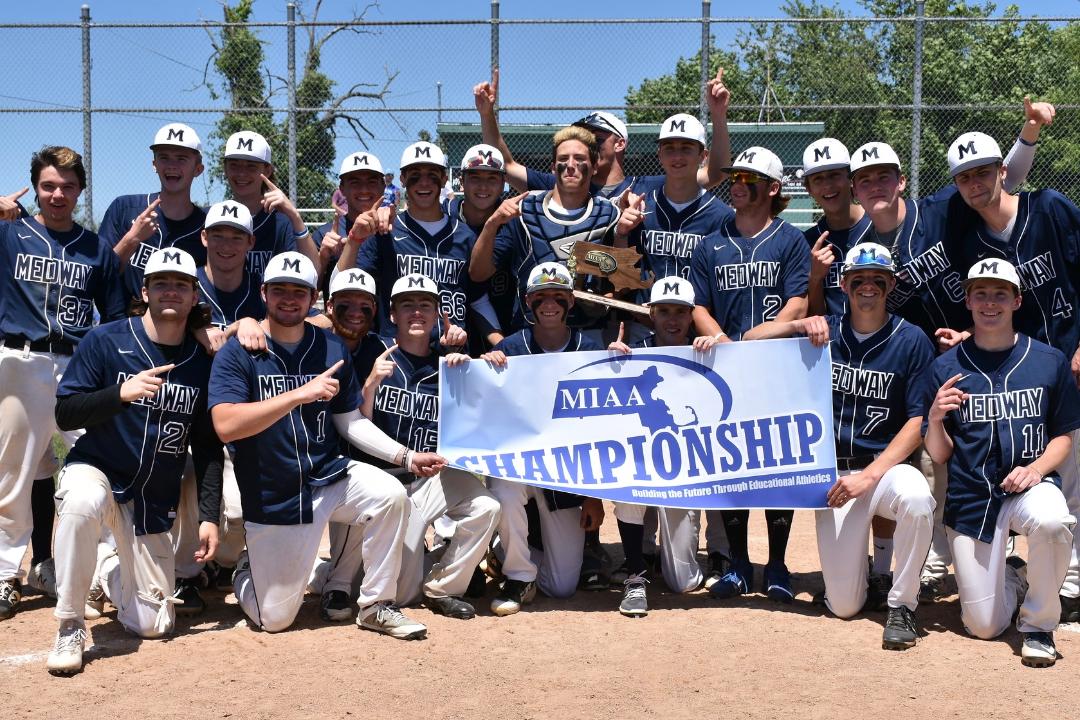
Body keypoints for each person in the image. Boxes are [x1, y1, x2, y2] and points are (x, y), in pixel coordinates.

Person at [208, 251, 443, 637]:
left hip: (325, 474)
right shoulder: (240, 352)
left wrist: (407, 456)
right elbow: (226, 425)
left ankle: (376, 605)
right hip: (274, 491)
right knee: (275, 621)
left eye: (299, 291)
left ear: (313, 297)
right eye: (280, 290)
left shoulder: (330, 348)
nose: (289, 298)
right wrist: (299, 395)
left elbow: (349, 420)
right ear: (264, 293)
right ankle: (248, 569)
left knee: (389, 495)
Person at [750, 242, 937, 649]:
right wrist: (798, 325)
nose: (867, 287)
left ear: (890, 285)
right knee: (844, 606)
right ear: (844, 284)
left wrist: (869, 477)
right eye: (858, 280)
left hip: (883, 469)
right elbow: (749, 339)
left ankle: (902, 604)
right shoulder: (824, 331)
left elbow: (917, 422)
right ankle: (862, 578)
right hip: (834, 475)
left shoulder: (912, 339)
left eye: (877, 280)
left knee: (919, 498)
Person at [46, 247, 223, 675]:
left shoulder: (201, 361)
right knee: (81, 502)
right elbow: (65, 413)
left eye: (181, 285)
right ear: (144, 290)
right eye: (160, 282)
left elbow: (207, 443)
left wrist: (208, 515)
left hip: (151, 499)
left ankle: (105, 569)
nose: (170, 291)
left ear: (194, 295)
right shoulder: (107, 339)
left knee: (154, 625)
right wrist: (118, 395)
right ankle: (69, 622)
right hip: (99, 471)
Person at [944, 130, 1080, 622]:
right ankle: (1026, 574)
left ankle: (1069, 587)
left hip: (1070, 357)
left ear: (1004, 170)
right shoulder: (973, 239)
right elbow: (986, 305)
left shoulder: (1049, 208)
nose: (975, 183)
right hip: (1025, 369)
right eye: (964, 177)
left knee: (1069, 479)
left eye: (983, 171)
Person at [923, 259, 1079, 668]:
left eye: (999, 294)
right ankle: (1014, 575)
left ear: (1016, 300)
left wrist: (1038, 469)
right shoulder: (945, 367)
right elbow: (939, 454)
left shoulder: (1048, 360)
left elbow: (1063, 436)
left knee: (1053, 521)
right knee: (984, 625)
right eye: (980, 293)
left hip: (1029, 486)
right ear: (968, 300)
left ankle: (1039, 625)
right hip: (972, 497)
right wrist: (936, 417)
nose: (989, 302)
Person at [1, 146, 127, 621]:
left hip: (77, 363)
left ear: (81, 191)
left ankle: (103, 571)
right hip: (20, 359)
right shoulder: (10, 234)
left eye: (68, 186)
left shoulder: (95, 249)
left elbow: (116, 318)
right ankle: (6, 573)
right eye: (49, 185)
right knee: (14, 470)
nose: (58, 194)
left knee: (103, 456)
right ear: (35, 185)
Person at [689, 145, 811, 603]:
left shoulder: (788, 239)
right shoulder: (712, 241)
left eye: (749, 180)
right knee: (734, 463)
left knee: (778, 465)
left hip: (776, 366)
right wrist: (720, 338)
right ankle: (739, 563)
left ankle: (777, 564)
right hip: (727, 365)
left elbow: (798, 303)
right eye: (735, 179)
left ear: (773, 188)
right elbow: (698, 303)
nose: (737, 185)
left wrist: (758, 338)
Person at [356, 273, 500, 619]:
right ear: (392, 314)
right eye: (407, 305)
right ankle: (326, 572)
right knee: (403, 596)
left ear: (438, 314)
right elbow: (355, 423)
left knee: (487, 506)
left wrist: (480, 365)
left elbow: (481, 413)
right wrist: (371, 382)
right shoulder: (373, 351)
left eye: (425, 305)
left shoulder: (449, 363)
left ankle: (443, 587)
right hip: (387, 486)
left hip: (432, 479)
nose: (416, 312)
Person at [479, 263, 605, 615]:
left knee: (561, 587)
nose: (549, 304)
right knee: (503, 490)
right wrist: (484, 366)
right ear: (528, 302)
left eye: (558, 296)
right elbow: (486, 403)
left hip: (566, 472)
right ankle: (518, 575)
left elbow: (602, 428)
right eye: (540, 297)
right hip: (521, 462)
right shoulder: (511, 346)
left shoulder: (589, 347)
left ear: (570, 301)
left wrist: (593, 498)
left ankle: (505, 552)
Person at [605, 276, 722, 615]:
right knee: (627, 488)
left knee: (683, 582)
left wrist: (718, 353)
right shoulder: (633, 355)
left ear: (692, 315)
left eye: (681, 312)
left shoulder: (703, 352)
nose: (673, 320)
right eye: (664, 311)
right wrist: (612, 365)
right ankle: (636, 574)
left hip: (683, 473)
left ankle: (657, 557)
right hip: (641, 465)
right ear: (651, 314)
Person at [472, 68, 732, 197]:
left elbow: (715, 172)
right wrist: (487, 115)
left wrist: (718, 116)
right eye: (582, 138)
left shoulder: (648, 189)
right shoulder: (565, 184)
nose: (587, 146)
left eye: (596, 139)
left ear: (619, 144)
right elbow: (504, 165)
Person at [469, 126, 622, 338]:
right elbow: (478, 274)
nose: (570, 165)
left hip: (589, 337)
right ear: (552, 167)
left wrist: (603, 302)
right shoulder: (523, 210)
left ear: (594, 166)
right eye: (563, 158)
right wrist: (491, 224)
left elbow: (620, 285)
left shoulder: (610, 215)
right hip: (530, 333)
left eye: (579, 159)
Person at [337, 141, 495, 339]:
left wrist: (499, 343)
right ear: (402, 178)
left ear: (445, 179)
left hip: (452, 353)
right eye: (415, 175)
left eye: (432, 175)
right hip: (396, 354)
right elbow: (342, 285)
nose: (424, 182)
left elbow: (478, 299)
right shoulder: (385, 232)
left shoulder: (465, 235)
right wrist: (353, 239)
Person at [99, 123, 207, 301]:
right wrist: (131, 239)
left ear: (198, 169)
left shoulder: (206, 225)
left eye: (181, 158)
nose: (172, 165)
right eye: (164, 157)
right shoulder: (124, 208)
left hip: (181, 325)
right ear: (154, 164)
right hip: (124, 322)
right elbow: (99, 275)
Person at [220, 130, 320, 284]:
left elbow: (314, 275)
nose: (241, 173)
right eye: (234, 165)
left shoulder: (281, 222)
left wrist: (294, 215)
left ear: (267, 170)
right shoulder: (215, 218)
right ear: (225, 168)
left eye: (251, 166)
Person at [311, 151, 389, 297]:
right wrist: (323, 258)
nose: (364, 190)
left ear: (383, 186)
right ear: (342, 189)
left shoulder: (395, 230)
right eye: (355, 183)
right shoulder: (326, 234)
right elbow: (311, 291)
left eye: (371, 182)